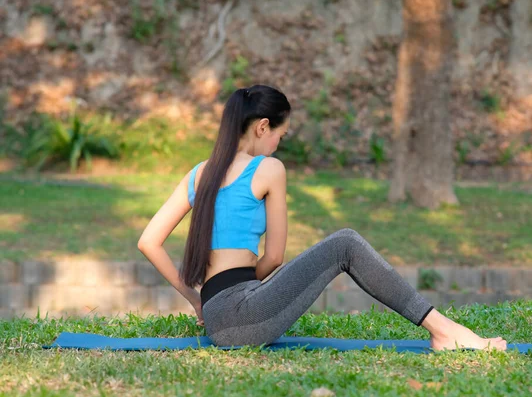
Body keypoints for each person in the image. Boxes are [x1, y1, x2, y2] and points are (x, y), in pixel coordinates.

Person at [138, 85, 507, 351]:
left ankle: (444, 330)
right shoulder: (268, 169)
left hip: (218, 314)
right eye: (280, 135)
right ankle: (443, 330)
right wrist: (262, 285)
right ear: (263, 127)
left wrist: (196, 298)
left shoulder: (200, 172)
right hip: (243, 317)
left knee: (339, 245)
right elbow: (274, 258)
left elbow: (149, 242)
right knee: (345, 243)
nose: (278, 144)